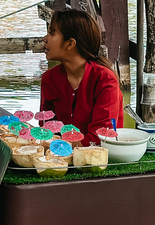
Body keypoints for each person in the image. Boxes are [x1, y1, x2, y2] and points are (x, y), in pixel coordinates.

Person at [40, 10, 123, 146]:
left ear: (70, 44)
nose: (45, 38)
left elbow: (102, 134)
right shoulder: (49, 78)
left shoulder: (105, 79)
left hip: (99, 157)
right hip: (60, 155)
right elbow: (47, 124)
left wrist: (62, 146)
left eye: (52, 33)